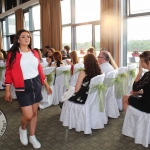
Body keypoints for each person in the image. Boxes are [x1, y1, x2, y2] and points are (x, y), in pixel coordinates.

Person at [4, 29, 52, 149]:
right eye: (23, 36)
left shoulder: (34, 52)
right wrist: (7, 90)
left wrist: (46, 84)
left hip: (36, 84)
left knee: (35, 113)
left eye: (28, 37)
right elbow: (9, 72)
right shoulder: (13, 54)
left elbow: (39, 70)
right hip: (22, 86)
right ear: (18, 39)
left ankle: (32, 136)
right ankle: (23, 128)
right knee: (28, 115)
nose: (27, 39)